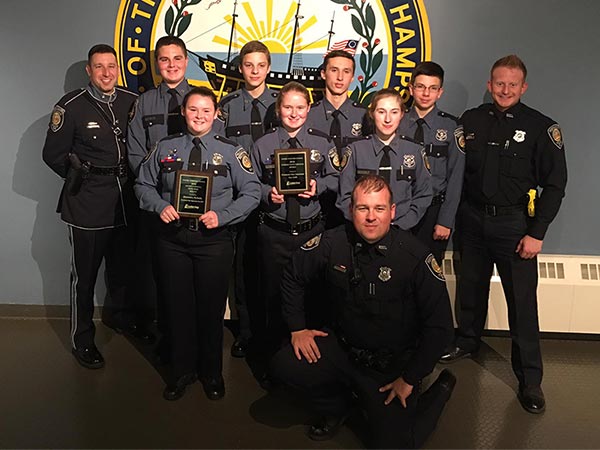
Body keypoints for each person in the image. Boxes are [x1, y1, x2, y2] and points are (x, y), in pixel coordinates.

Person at [271, 175, 456, 449]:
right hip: (344, 349)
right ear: (351, 211)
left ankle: (438, 392)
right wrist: (297, 327)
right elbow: (293, 274)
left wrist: (410, 378)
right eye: (363, 208)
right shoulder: (333, 243)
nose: (371, 217)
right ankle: (339, 406)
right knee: (283, 366)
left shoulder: (415, 257)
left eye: (379, 208)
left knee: (397, 445)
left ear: (392, 212)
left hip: (390, 367)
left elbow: (440, 328)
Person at [439, 55, 567, 414]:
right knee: (470, 288)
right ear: (489, 84)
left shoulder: (542, 127)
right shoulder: (471, 121)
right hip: (473, 221)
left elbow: (555, 186)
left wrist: (537, 232)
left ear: (523, 87)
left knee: (523, 305)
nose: (505, 89)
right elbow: (458, 175)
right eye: (499, 83)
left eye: (513, 84)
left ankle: (530, 380)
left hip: (515, 227)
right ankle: (467, 340)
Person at [135, 86, 260, 401]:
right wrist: (158, 206)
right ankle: (181, 373)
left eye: (206, 110)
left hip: (213, 240)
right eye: (193, 110)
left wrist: (223, 215)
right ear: (183, 113)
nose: (199, 116)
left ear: (216, 114)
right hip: (173, 239)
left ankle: (211, 373)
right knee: (177, 309)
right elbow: (143, 184)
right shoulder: (165, 147)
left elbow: (251, 192)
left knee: (210, 309)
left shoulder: (231, 151)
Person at [42, 44, 149, 370]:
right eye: (99, 67)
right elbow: (52, 154)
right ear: (89, 71)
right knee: (84, 278)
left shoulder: (132, 101)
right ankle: (82, 339)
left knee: (122, 270)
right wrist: (79, 177)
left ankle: (118, 318)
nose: (106, 73)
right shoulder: (71, 106)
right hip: (88, 202)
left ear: (118, 69)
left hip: (125, 200)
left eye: (111, 66)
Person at [251, 81, 337, 371]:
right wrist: (267, 194)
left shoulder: (322, 142)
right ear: (278, 109)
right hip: (274, 231)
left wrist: (318, 185)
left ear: (308, 109)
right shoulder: (262, 144)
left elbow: (338, 178)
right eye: (288, 107)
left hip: (311, 232)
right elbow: (251, 184)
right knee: (273, 297)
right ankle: (274, 360)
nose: (293, 113)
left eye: (300, 107)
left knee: (312, 297)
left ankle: (310, 363)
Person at [127, 35, 194, 363]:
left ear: (186, 60)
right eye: (164, 60)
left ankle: (192, 336)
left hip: (195, 203)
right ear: (158, 65)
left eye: (177, 58)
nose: (171, 65)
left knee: (193, 276)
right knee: (159, 273)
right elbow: (135, 151)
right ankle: (167, 336)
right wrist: (157, 191)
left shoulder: (201, 99)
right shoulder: (144, 102)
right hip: (158, 203)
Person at [216, 41, 279, 359]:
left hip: (272, 198)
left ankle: (271, 331)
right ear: (241, 68)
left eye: (260, 65)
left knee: (270, 268)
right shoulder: (226, 106)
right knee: (241, 268)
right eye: (248, 65)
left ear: (269, 67)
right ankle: (246, 331)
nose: (255, 71)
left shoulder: (281, 104)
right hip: (238, 199)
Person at [337, 88, 432, 230]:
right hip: (362, 229)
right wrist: (364, 224)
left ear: (401, 114)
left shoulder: (415, 151)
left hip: (403, 230)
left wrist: (402, 225)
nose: (387, 119)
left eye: (394, 112)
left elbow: (423, 194)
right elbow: (344, 197)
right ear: (372, 113)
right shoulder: (356, 150)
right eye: (381, 112)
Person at [399, 61, 465, 264]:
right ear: (411, 89)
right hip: (401, 208)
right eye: (420, 87)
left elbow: (456, 177)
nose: (426, 93)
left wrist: (445, 220)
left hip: (434, 211)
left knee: (430, 275)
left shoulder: (451, 126)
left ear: (440, 92)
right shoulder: (396, 121)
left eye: (432, 88)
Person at [307, 49, 370, 228]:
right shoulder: (307, 116)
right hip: (315, 202)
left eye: (346, 71)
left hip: (354, 202)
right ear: (323, 73)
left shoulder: (365, 116)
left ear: (352, 77)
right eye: (334, 70)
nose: (340, 77)